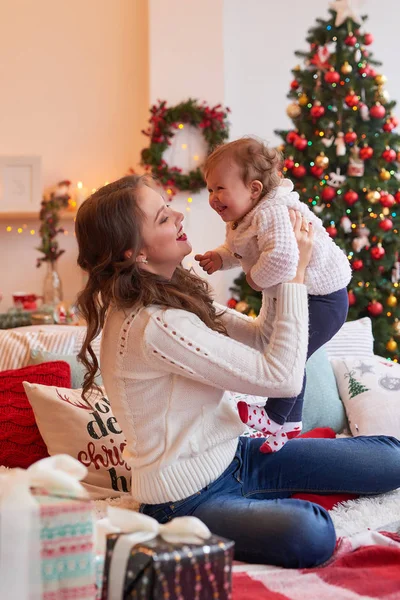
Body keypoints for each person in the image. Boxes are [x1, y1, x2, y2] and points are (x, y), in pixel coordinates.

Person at [75, 174, 400, 568]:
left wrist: (274, 263)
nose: (178, 214)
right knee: (312, 534)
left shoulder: (174, 295)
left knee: (390, 458)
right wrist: (292, 275)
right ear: (134, 254)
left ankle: (265, 501)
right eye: (162, 217)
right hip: (186, 499)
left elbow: (264, 338)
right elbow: (282, 377)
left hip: (238, 457)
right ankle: (263, 508)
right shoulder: (152, 325)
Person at [195, 137, 352, 452]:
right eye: (210, 190)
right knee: (291, 354)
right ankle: (288, 425)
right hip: (308, 296)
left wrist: (253, 279)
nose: (213, 198)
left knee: (291, 356)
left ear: (253, 189)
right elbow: (243, 247)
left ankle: (275, 415)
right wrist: (220, 257)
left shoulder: (272, 213)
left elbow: (281, 258)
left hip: (325, 299)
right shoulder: (246, 217)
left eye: (220, 189)